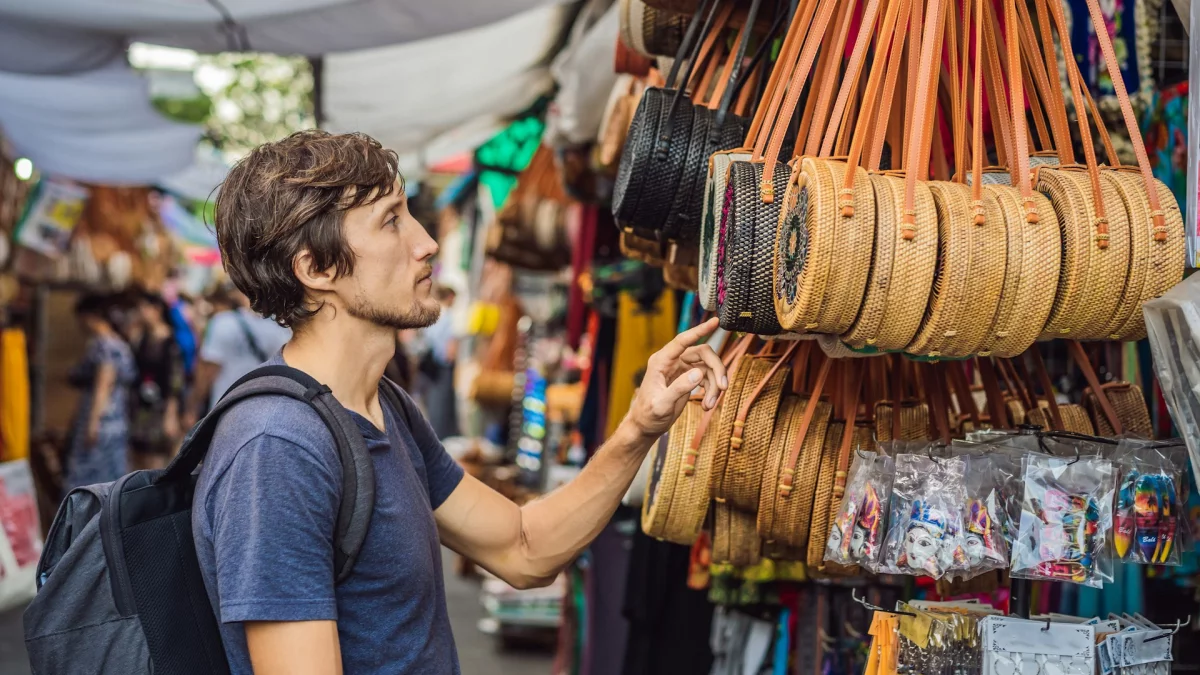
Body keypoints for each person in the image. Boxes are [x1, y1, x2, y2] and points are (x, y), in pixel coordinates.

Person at [197, 130, 728, 675]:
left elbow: (524, 550)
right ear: (316, 270)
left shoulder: (384, 407)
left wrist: (640, 424)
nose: (425, 242)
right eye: (391, 221)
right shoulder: (278, 448)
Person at [183, 284, 290, 428]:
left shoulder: (222, 323)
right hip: (264, 413)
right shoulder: (279, 328)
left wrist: (193, 407)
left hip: (225, 410)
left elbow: (208, 372)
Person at [65, 294, 137, 491]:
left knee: (88, 479)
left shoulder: (103, 345)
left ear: (89, 317)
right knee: (111, 480)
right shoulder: (119, 343)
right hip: (116, 420)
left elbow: (103, 384)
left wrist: (93, 422)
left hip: (101, 422)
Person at [128, 290, 186, 469]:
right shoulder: (140, 338)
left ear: (157, 310)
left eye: (145, 308)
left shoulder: (171, 342)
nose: (141, 313)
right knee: (137, 457)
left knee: (155, 459)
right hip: (140, 405)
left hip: (160, 408)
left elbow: (175, 381)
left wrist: (171, 413)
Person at [419, 285, 460, 439]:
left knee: (432, 403)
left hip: (430, 366)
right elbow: (451, 349)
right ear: (450, 297)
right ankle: (442, 436)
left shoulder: (433, 314)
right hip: (443, 365)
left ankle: (434, 433)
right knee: (442, 403)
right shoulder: (448, 315)